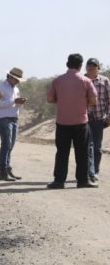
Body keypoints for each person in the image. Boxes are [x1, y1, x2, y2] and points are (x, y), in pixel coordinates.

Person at [46, 53, 98, 189]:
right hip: (81, 122)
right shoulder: (86, 81)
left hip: (63, 122)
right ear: (81, 66)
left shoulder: (58, 81)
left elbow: (50, 99)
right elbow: (93, 100)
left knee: (62, 152)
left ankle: (59, 181)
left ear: (67, 64)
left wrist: (63, 100)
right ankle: (82, 181)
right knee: (82, 153)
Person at [0, 67, 27, 181]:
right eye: (16, 79)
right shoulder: (0, 87)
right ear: (10, 77)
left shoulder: (16, 89)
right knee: (6, 144)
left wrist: (18, 103)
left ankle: (6, 168)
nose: (17, 81)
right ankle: (3, 171)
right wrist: (14, 101)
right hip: (3, 119)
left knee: (10, 146)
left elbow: (13, 104)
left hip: (13, 119)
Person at [85, 58, 110, 183]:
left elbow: (109, 100)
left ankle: (95, 171)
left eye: (93, 66)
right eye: (89, 66)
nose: (91, 68)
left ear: (98, 68)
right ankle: (87, 171)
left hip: (99, 118)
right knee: (85, 146)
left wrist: (109, 117)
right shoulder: (81, 80)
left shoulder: (104, 81)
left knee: (97, 147)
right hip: (83, 118)